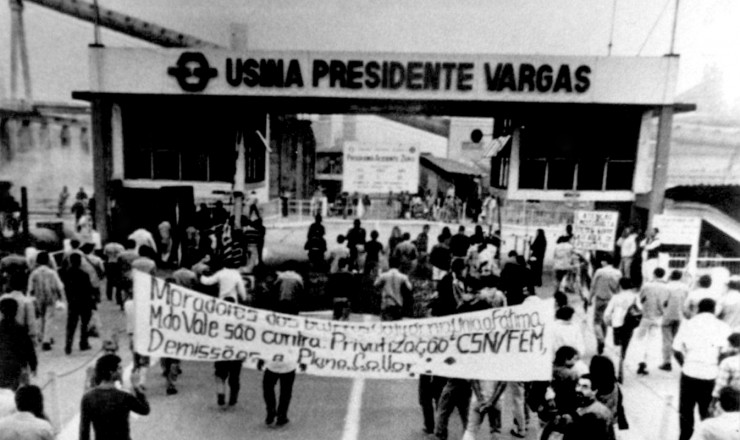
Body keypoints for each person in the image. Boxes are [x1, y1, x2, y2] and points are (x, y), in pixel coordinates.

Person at [673, 298, 732, 440]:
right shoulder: (723, 326)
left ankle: (685, 436)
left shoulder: (688, 324)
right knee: (707, 412)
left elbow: (676, 349)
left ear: (698, 309)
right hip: (710, 374)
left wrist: (685, 363)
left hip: (689, 372)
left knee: (685, 410)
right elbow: (726, 353)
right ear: (714, 310)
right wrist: (716, 365)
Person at [260, 273, 301, 427]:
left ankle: (271, 409)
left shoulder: (271, 325)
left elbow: (264, 342)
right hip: (289, 363)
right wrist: (302, 361)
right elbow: (301, 344)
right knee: (286, 391)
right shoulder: (296, 326)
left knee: (267, 387)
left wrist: (260, 358)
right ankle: (282, 415)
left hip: (272, 362)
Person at [80, 354, 150, 440]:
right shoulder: (124, 396)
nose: (122, 371)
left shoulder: (88, 398)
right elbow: (145, 410)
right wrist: (136, 386)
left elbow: (84, 432)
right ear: (111, 372)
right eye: (119, 368)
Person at [632, 267, 668, 376]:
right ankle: (646, 362)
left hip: (646, 316)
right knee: (652, 341)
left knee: (640, 340)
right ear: (663, 275)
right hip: (658, 317)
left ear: (654, 274)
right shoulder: (666, 287)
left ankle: (640, 361)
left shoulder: (647, 285)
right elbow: (666, 302)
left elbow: (640, 298)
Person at [603, 277, 640, 381]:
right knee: (625, 347)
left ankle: (617, 371)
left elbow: (607, 313)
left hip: (617, 325)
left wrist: (609, 322)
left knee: (617, 347)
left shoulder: (615, 297)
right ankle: (621, 366)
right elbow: (640, 310)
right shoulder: (634, 297)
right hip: (629, 325)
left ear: (620, 285)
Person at [60, 253, 95, 355]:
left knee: (71, 325)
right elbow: (89, 290)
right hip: (84, 302)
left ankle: (68, 345)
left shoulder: (65, 274)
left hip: (72, 302)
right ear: (80, 262)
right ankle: (83, 343)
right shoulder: (84, 274)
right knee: (84, 324)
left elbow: (66, 289)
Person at [0, 298, 37, 391]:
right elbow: (29, 349)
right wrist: (33, 365)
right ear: (16, 311)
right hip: (18, 368)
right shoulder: (20, 329)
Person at [564, 374, 614, 440]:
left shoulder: (598, 413)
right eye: (578, 385)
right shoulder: (583, 406)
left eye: (584, 387)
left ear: (594, 391)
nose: (578, 389)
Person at [590, 254, 621, 354]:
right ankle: (602, 341)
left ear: (604, 262)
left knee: (596, 322)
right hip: (611, 300)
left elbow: (593, 286)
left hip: (600, 298)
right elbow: (619, 289)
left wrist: (590, 298)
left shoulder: (599, 271)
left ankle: (600, 340)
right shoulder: (618, 273)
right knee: (605, 322)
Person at [660, 270, 690, 371]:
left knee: (667, 340)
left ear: (671, 276)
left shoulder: (667, 286)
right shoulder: (685, 287)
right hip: (679, 315)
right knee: (676, 339)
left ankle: (667, 362)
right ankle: (682, 359)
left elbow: (663, 301)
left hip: (668, 315)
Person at [0, 272, 37, 345]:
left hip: (3, 336)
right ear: (24, 286)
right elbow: (31, 323)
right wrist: (33, 338)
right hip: (20, 337)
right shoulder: (27, 301)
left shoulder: (2, 299)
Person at [712, 333, 740, 400]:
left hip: (734, 400)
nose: (727, 349)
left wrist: (713, 403)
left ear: (737, 347)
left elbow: (720, 386)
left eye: (729, 346)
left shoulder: (728, 362)